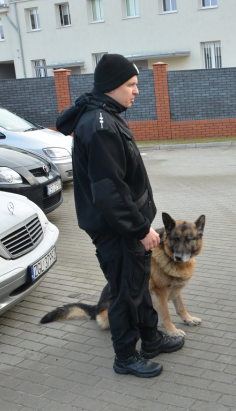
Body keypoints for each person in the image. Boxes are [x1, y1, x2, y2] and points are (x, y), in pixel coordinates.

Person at [56, 54, 184, 378]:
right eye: (131, 85)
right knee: (125, 292)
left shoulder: (106, 115)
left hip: (126, 227)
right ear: (112, 86)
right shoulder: (99, 126)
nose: (136, 91)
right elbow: (109, 191)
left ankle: (151, 339)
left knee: (137, 286)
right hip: (118, 230)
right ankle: (126, 357)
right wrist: (141, 229)